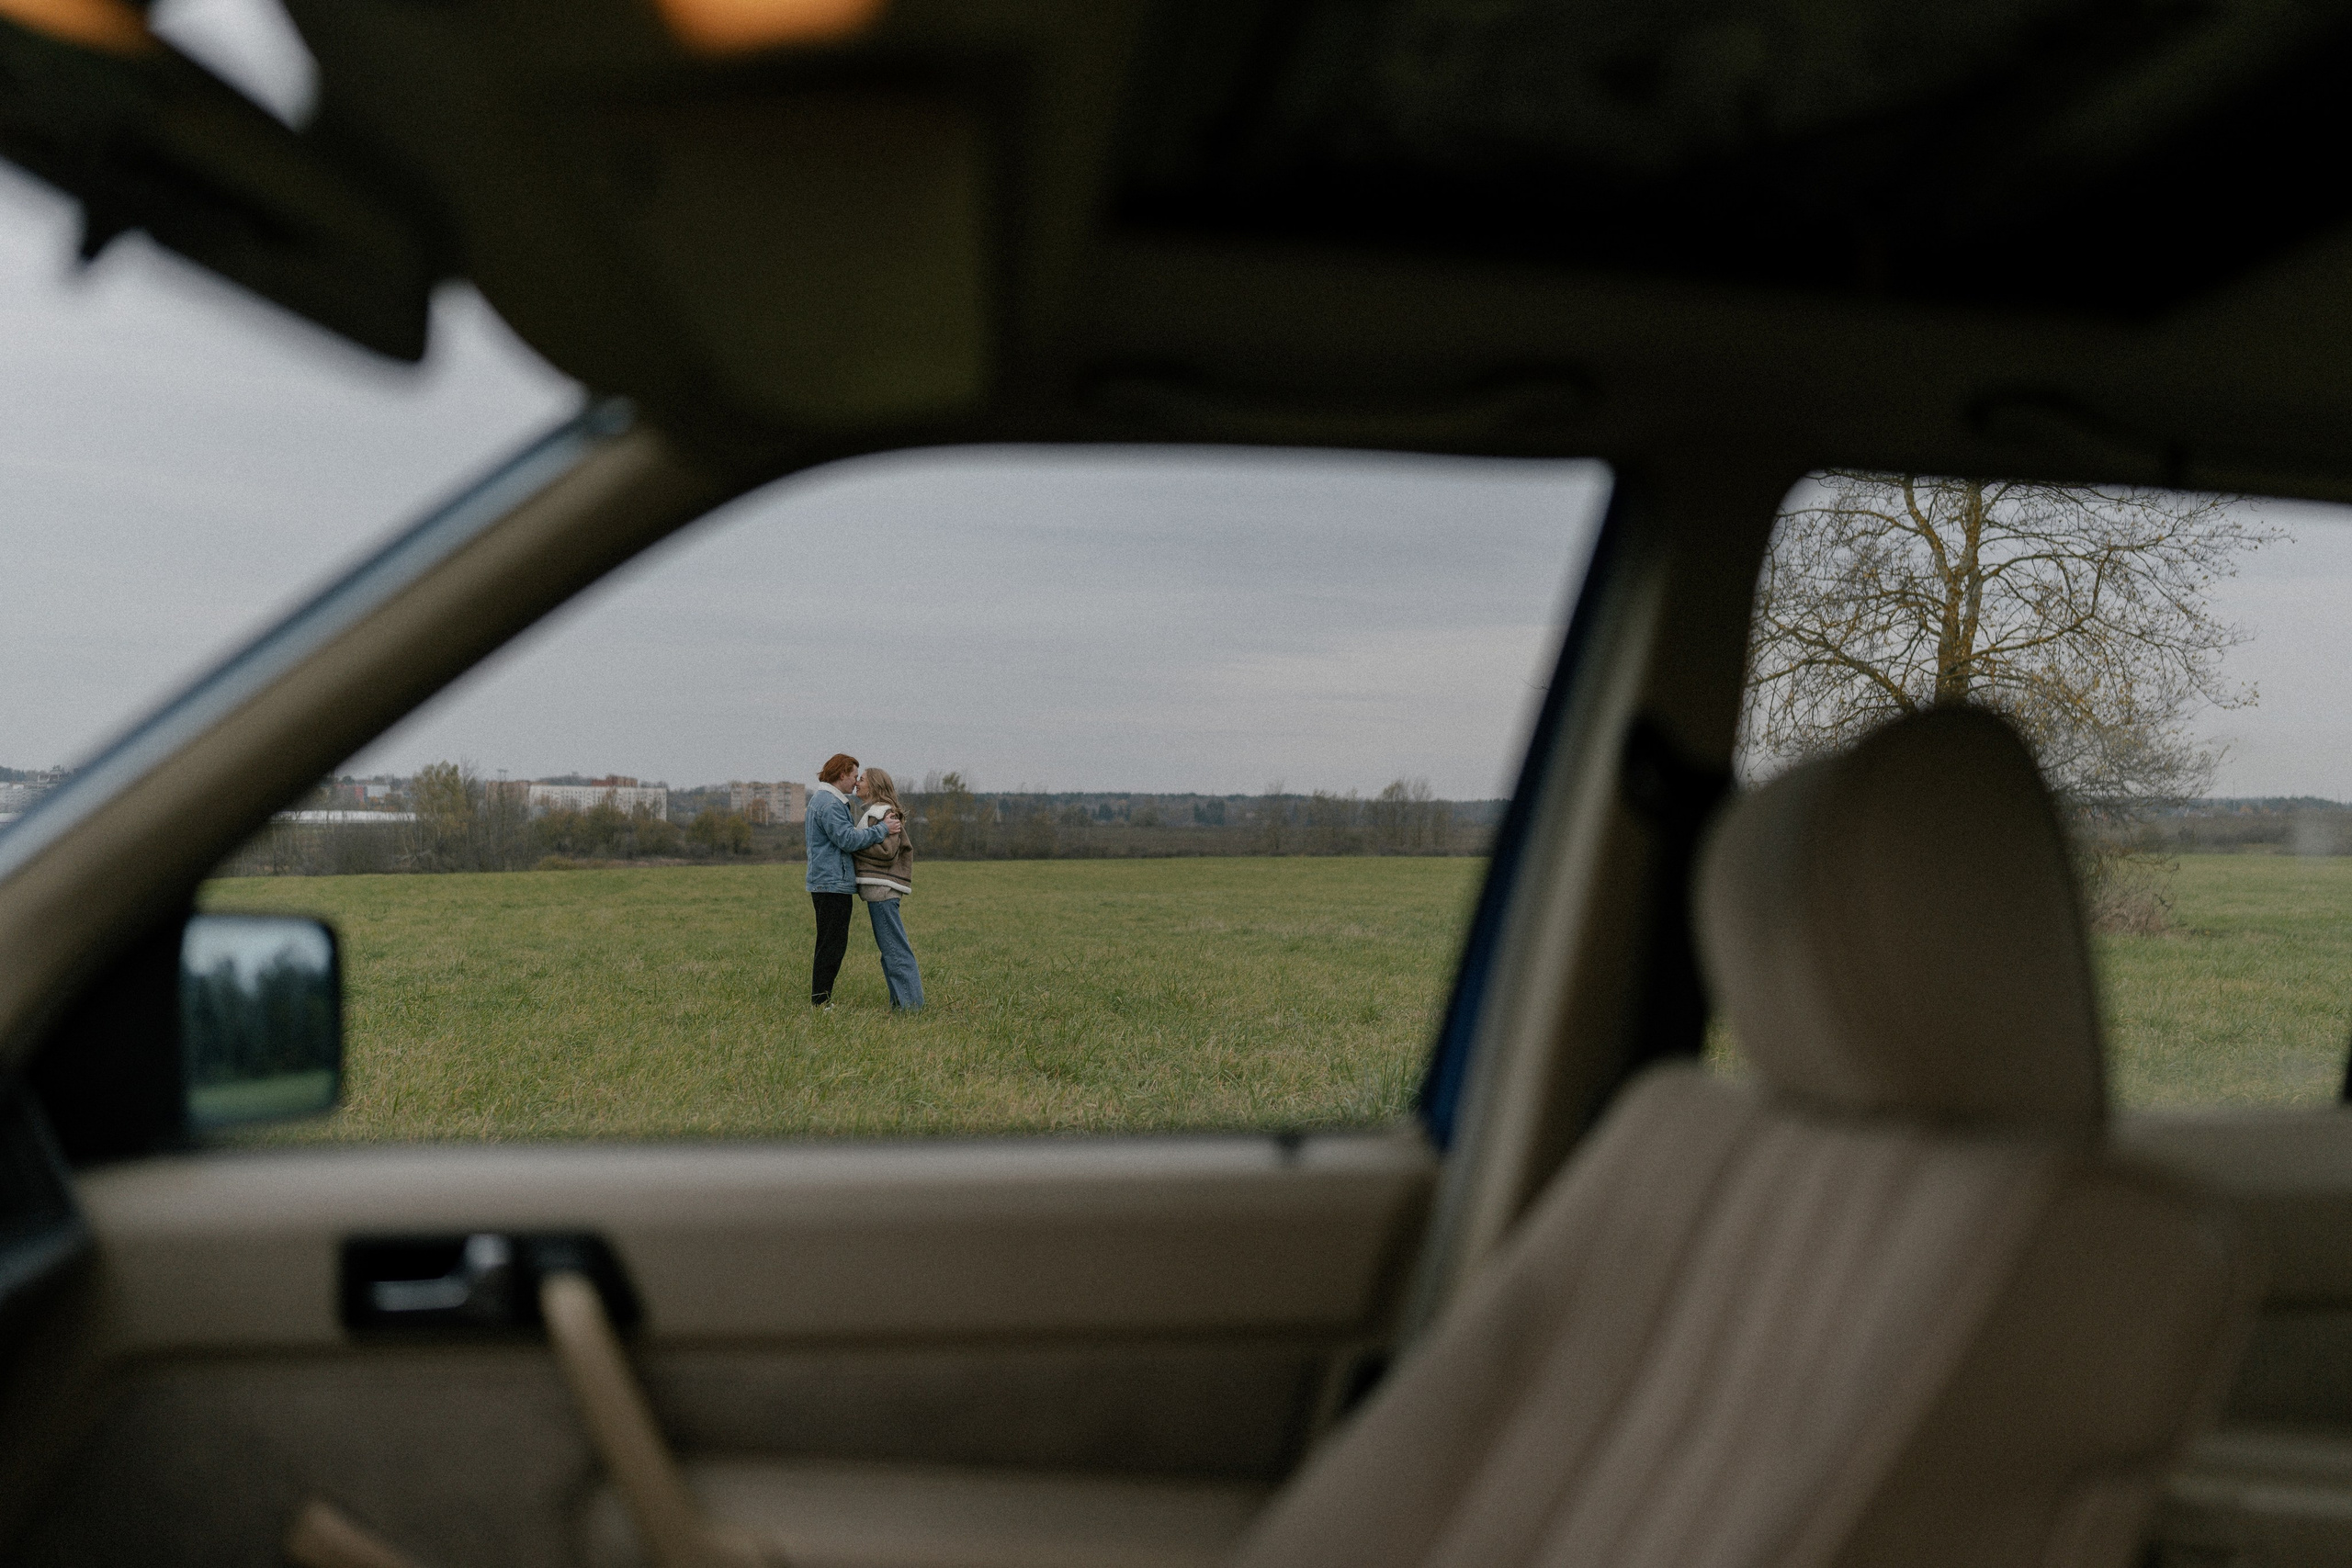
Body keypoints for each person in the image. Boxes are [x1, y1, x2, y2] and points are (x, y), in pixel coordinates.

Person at [805, 752, 891, 1009]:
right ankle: (821, 1002)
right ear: (841, 774)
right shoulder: (830, 803)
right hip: (832, 884)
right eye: (854, 776)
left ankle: (821, 1000)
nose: (856, 782)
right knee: (832, 945)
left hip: (826, 882)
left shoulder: (822, 800)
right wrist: (882, 829)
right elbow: (848, 840)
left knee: (828, 942)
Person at [851, 767, 922, 1010]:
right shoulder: (876, 812)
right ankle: (900, 1002)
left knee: (895, 949)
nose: (856, 783)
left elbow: (887, 851)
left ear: (875, 786)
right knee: (889, 950)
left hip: (883, 891)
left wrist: (851, 845)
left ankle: (911, 1006)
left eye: (861, 779)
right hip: (878, 893)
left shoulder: (883, 813)